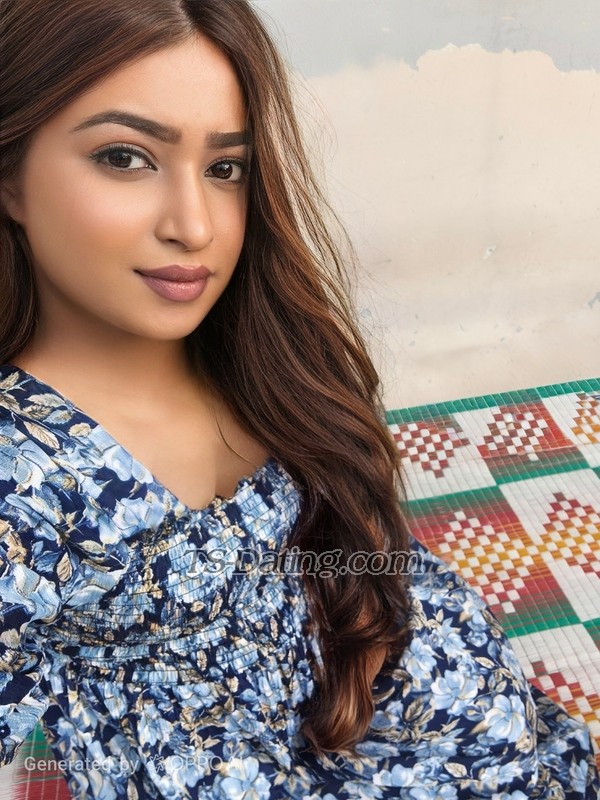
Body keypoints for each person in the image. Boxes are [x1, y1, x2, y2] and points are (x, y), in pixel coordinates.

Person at [0, 1, 597, 797]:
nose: (195, 226)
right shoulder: (22, 483)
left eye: (225, 168)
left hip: (378, 669)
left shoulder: (254, 344)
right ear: (10, 177)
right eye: (125, 157)